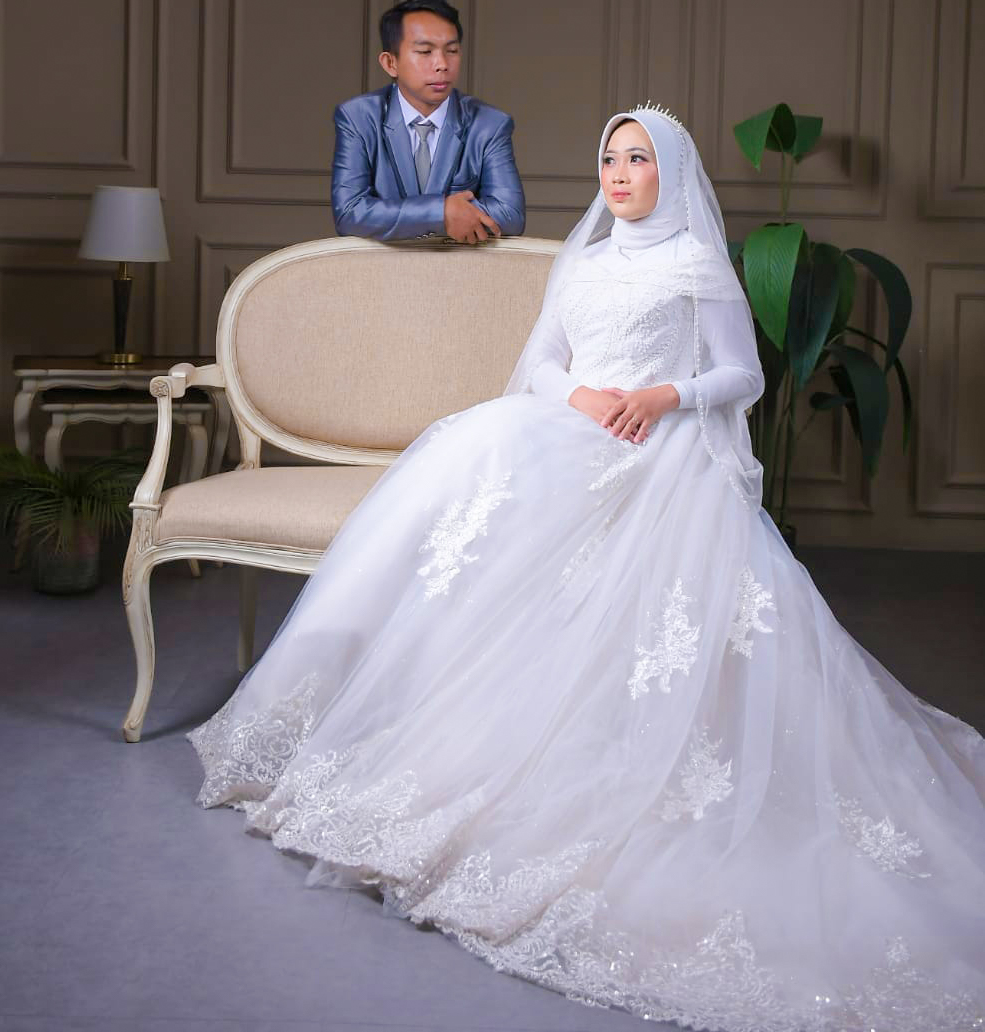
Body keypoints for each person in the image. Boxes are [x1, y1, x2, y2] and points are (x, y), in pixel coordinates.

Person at [191, 105, 985, 1032]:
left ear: (670, 173)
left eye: (637, 158)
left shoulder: (697, 266)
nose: (618, 172)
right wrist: (584, 397)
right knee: (471, 472)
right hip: (572, 428)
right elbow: (540, 364)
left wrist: (661, 396)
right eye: (609, 156)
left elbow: (745, 377)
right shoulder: (588, 260)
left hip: (660, 449)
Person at [330, 0, 526, 243]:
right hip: (381, 265)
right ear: (390, 63)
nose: (442, 64)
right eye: (425, 51)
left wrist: (426, 215)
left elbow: (510, 214)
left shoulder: (489, 123)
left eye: (452, 51)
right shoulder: (357, 117)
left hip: (460, 265)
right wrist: (440, 213)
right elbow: (349, 212)